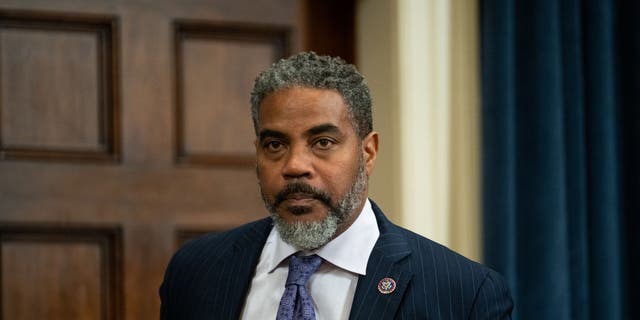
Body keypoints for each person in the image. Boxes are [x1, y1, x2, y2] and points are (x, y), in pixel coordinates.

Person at [159, 52, 513, 319]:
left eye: (323, 142)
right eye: (275, 145)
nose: (295, 165)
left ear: (368, 152)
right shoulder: (195, 271)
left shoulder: (464, 294)